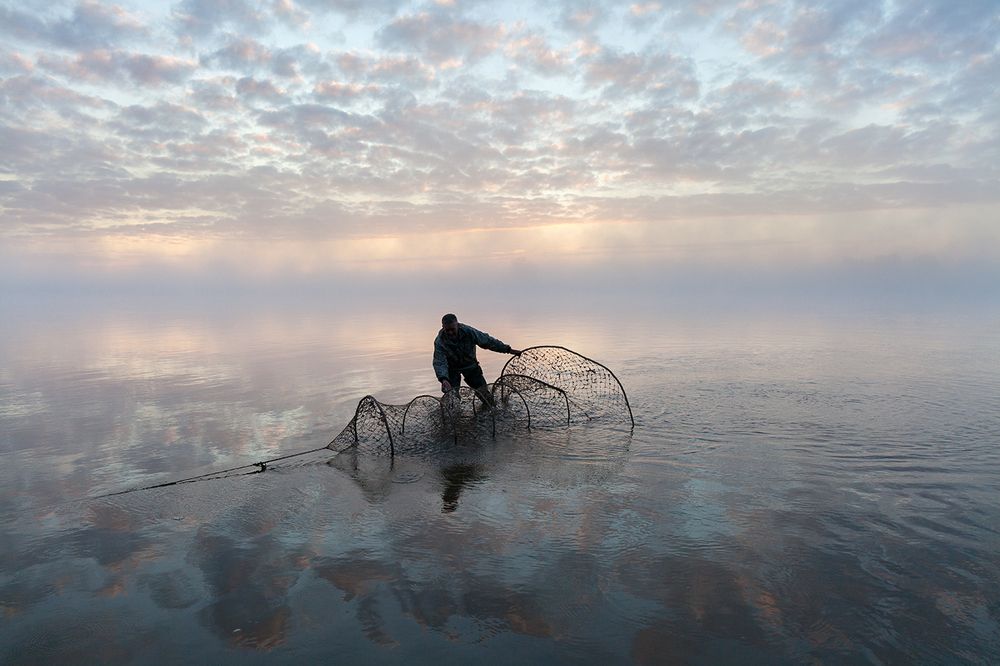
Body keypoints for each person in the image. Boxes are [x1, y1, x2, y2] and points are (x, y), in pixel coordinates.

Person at [433, 313, 521, 407]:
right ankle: (455, 416)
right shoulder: (440, 341)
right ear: (443, 327)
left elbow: (488, 341)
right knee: (451, 399)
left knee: (485, 396)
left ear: (457, 325)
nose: (450, 332)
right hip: (452, 370)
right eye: (447, 330)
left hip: (470, 366)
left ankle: (490, 411)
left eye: (453, 329)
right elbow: (439, 361)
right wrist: (444, 379)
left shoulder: (469, 332)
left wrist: (508, 350)